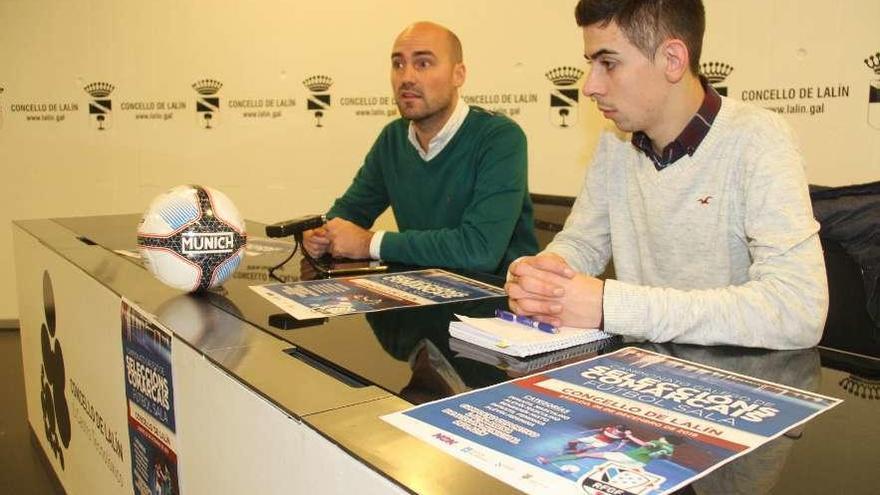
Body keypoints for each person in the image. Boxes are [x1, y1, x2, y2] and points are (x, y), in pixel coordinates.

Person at [507, 0, 827, 349]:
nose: (589, 86)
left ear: (673, 60)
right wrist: (544, 276)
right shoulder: (614, 140)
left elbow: (799, 310)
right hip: (639, 371)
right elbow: (583, 242)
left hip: (732, 384)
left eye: (608, 63)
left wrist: (610, 307)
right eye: (590, 64)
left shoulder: (758, 138)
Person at [303, 21, 538, 276]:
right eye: (398, 64)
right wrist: (323, 233)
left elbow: (479, 250)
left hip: (495, 303)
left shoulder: (500, 138)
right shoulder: (393, 137)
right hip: (421, 293)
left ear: (458, 75)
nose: (406, 78)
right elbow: (350, 211)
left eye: (423, 63)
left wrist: (369, 243)